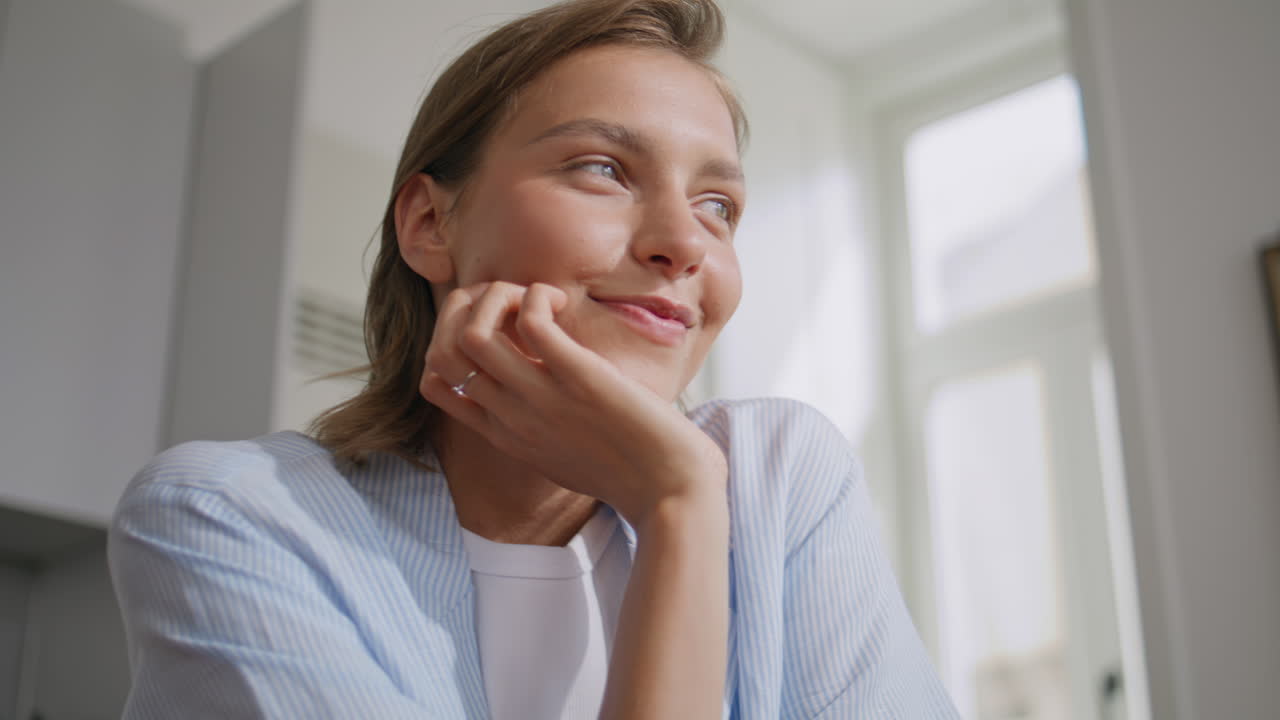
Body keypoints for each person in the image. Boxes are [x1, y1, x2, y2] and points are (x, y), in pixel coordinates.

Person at [108, 0, 960, 718]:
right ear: (429, 224)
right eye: (602, 169)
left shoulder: (782, 478)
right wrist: (676, 505)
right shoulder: (230, 518)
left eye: (718, 205)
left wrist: (687, 497)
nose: (683, 243)